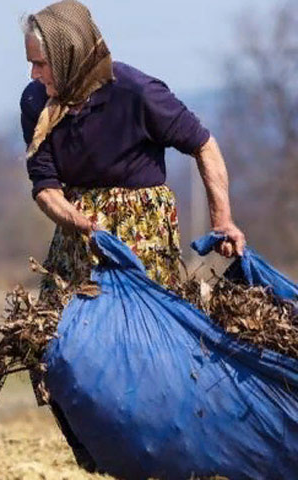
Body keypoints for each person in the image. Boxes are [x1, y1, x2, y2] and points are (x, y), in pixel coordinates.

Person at [19, 0, 246, 471]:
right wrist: (76, 220)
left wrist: (222, 218)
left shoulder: (136, 91)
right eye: (30, 63)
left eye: (40, 63)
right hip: (78, 232)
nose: (34, 73)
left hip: (139, 232)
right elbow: (44, 185)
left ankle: (167, 454)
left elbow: (203, 145)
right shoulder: (35, 102)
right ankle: (100, 452)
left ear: (69, 55)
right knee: (44, 345)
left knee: (143, 354)